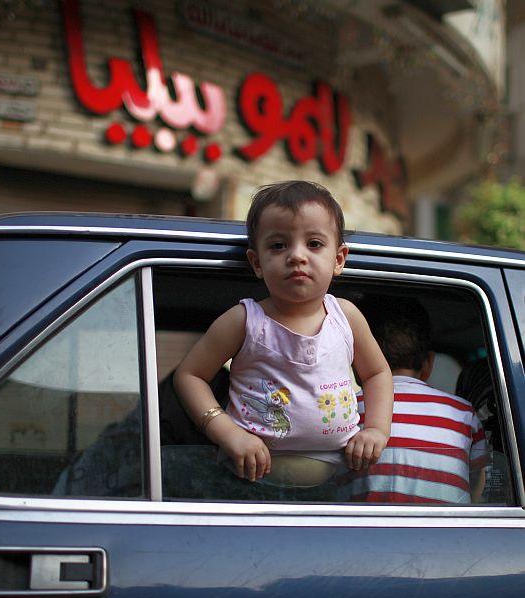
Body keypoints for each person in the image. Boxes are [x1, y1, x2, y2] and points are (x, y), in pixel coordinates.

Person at [173, 180, 393, 487]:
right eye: (278, 245)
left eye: (314, 244)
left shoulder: (347, 317)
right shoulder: (244, 320)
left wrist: (377, 430)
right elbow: (189, 375)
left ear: (339, 259)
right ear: (257, 262)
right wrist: (227, 432)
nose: (297, 256)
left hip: (339, 482)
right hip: (246, 482)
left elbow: (378, 373)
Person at [337, 297, 490, 504]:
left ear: (358, 362)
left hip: (361, 532)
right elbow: (479, 479)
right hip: (448, 533)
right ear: (428, 364)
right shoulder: (464, 413)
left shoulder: (346, 410)